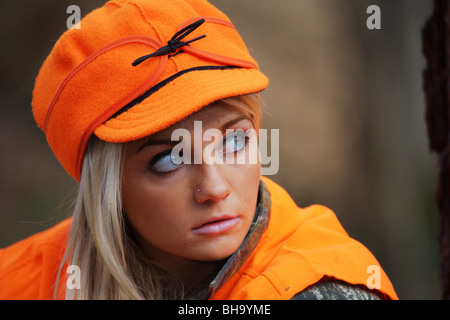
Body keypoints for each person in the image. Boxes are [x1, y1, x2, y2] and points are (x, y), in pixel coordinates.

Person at [0, 0, 397, 300]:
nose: (215, 188)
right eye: (169, 159)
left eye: (234, 141)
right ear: (107, 189)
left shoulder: (318, 287)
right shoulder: (22, 280)